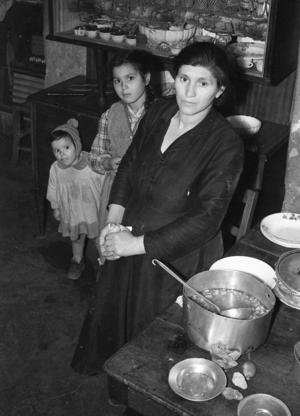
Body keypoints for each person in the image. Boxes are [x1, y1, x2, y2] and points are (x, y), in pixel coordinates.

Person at [71, 42, 244, 376]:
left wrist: (134, 245)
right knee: (115, 316)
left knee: (157, 342)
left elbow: (206, 220)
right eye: (183, 79)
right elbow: (129, 163)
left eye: (203, 83)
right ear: (173, 78)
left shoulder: (224, 144)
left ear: (219, 89)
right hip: (131, 230)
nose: (189, 92)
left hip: (176, 256)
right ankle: (119, 384)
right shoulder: (159, 111)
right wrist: (114, 219)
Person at [88, 49, 160, 252]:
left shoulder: (161, 115)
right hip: (114, 194)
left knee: (138, 246)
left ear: (146, 78)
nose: (124, 87)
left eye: (130, 78)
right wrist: (108, 162)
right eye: (117, 81)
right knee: (111, 244)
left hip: (148, 197)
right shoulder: (109, 115)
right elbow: (94, 156)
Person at [46, 119, 104, 280]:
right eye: (56, 150)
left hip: (92, 212)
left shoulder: (92, 163)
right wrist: (56, 207)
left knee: (97, 238)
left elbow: (104, 183)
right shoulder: (56, 169)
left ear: (77, 145)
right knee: (77, 238)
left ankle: (104, 265)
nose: (62, 154)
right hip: (72, 213)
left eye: (66, 147)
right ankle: (77, 261)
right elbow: (52, 189)